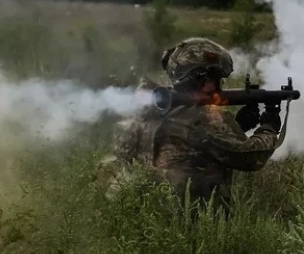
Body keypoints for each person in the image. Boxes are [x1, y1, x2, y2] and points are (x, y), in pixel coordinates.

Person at [110, 37, 283, 218]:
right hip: (193, 222)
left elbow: (192, 148)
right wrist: (268, 127)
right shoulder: (203, 118)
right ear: (198, 79)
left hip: (149, 218)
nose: (217, 86)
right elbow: (250, 156)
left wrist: (238, 126)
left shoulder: (150, 109)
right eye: (213, 78)